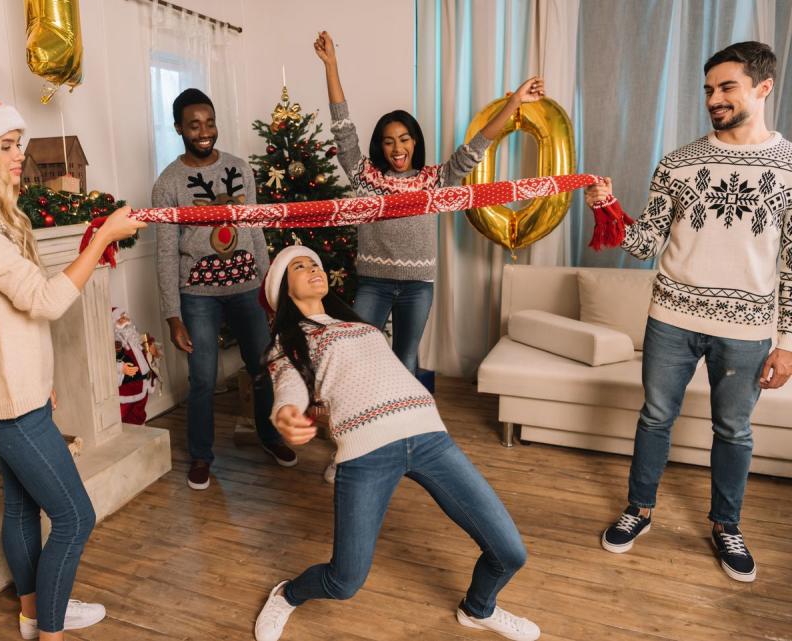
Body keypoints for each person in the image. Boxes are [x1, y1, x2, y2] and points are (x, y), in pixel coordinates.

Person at [0, 88, 144, 640]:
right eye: (10, 145)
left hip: (11, 394)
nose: (21, 155)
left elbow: (4, 317)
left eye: (19, 144)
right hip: (9, 403)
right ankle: (52, 633)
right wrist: (104, 236)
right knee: (74, 516)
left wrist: (39, 383)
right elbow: (43, 300)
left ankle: (34, 615)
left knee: (20, 508)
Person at [253, 246, 538, 641]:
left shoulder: (362, 326)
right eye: (299, 267)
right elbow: (288, 385)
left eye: (314, 262)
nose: (312, 268)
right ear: (282, 290)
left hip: (430, 439)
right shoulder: (290, 344)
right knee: (344, 582)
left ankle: (478, 608)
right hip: (367, 453)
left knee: (510, 553)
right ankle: (288, 594)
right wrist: (285, 413)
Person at [585, 41, 792, 583]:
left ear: (763, 88)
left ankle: (726, 524)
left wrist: (787, 341)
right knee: (655, 417)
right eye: (708, 89)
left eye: (727, 87)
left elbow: (791, 265)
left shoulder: (789, 167)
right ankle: (640, 509)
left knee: (735, 431)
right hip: (672, 317)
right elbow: (644, 245)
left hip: (747, 330)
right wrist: (607, 206)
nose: (714, 98)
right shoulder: (677, 163)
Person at [314, 30, 544, 482]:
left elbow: (480, 142)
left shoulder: (437, 180)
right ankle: (347, 449)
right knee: (356, 362)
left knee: (405, 365)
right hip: (374, 283)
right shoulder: (365, 178)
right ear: (380, 148)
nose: (397, 149)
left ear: (414, 142)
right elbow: (344, 129)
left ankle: (399, 447)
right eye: (388, 142)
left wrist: (515, 100)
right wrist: (332, 67)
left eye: (404, 140)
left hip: (418, 286)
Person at [153, 88, 297, 491]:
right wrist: (172, 315)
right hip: (196, 294)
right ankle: (201, 456)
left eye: (210, 122)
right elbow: (164, 251)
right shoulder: (168, 183)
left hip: (247, 287)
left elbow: (253, 230)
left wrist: (271, 290)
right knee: (201, 378)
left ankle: (271, 437)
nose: (204, 131)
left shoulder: (240, 169)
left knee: (263, 366)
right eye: (194, 124)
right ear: (179, 127)